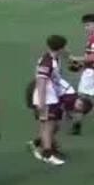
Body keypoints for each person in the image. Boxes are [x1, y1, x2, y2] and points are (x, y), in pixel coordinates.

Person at [29, 34, 69, 166]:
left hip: (52, 98)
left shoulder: (54, 59)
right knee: (48, 126)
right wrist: (41, 102)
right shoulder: (47, 61)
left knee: (53, 125)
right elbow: (41, 81)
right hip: (46, 99)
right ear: (61, 47)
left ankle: (41, 146)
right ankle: (47, 153)